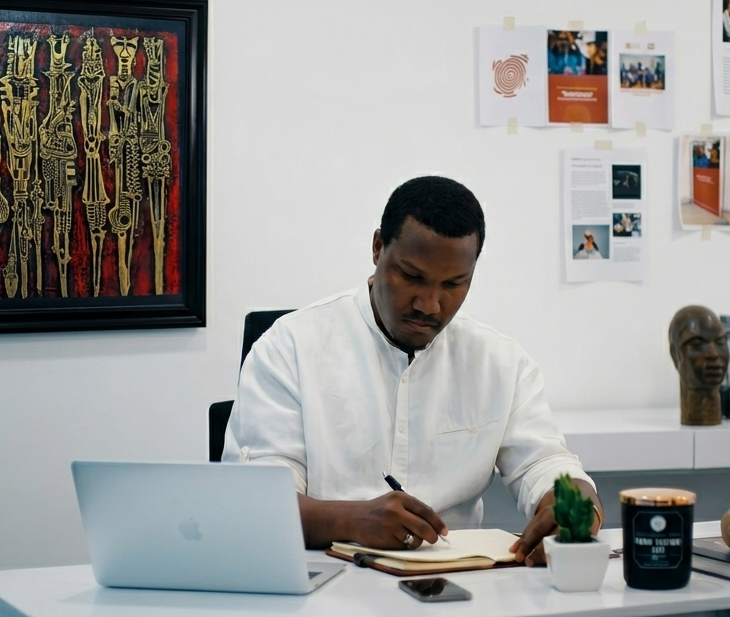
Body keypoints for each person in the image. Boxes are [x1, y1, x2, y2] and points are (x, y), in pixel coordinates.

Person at [223, 176, 599, 565]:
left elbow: (544, 463)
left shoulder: (499, 362)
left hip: (461, 584)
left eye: (453, 284)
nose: (429, 305)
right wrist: (349, 520)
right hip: (323, 581)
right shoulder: (290, 348)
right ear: (377, 247)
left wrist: (578, 505)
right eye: (411, 277)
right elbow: (255, 501)